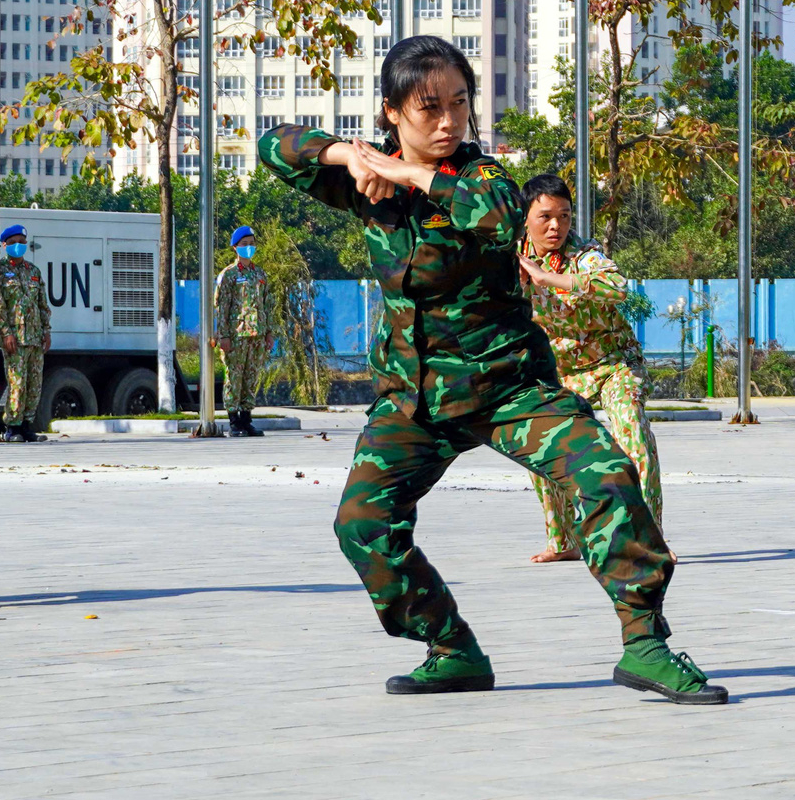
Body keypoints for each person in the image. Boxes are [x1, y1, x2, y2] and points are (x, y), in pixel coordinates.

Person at [256, 36, 723, 704]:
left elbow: (501, 217)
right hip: (416, 398)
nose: (448, 122)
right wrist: (347, 156)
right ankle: (451, 648)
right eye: (428, 108)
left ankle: (645, 640)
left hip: (510, 387)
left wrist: (410, 175)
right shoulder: (366, 183)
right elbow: (275, 145)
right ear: (392, 112)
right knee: (363, 524)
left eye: (459, 104)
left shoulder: (484, 176)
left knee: (607, 475)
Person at [516, 173, 663, 564]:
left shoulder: (585, 254)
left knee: (632, 436)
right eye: (546, 216)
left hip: (614, 365)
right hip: (560, 373)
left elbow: (617, 286)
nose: (556, 226)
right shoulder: (511, 256)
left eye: (564, 216)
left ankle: (648, 539)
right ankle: (561, 540)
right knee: (541, 446)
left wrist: (552, 278)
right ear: (526, 217)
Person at [0, 224, 50, 442]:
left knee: (34, 384)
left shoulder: (33, 271)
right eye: (14, 242)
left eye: (22, 242)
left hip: (34, 338)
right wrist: (6, 333)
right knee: (17, 383)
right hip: (15, 339)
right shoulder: (0, 271)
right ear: (4, 245)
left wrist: (47, 331)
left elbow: (42, 304)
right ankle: (12, 427)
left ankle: (27, 425)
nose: (19, 246)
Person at [214, 225, 271, 437]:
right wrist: (224, 336)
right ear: (235, 247)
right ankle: (234, 421)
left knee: (251, 376)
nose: (249, 248)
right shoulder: (228, 275)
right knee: (234, 377)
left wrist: (269, 332)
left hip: (257, 334)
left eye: (252, 244)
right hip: (236, 335)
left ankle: (247, 419)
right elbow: (222, 308)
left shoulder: (260, 273)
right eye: (244, 244)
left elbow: (267, 304)